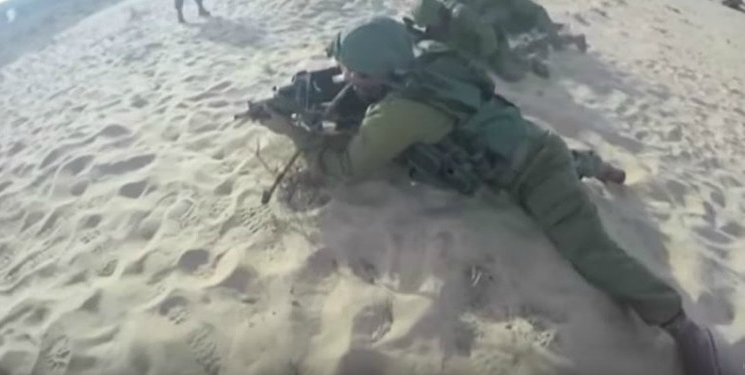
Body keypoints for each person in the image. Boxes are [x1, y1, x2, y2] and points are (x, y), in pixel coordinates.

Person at [255, 17, 721, 375]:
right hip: (518, 139)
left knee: (588, 249)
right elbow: (375, 103)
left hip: (534, 172)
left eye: (354, 72)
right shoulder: (427, 63)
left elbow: (346, 167)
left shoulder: (401, 112)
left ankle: (679, 323)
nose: (346, 77)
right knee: (547, 159)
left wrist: (291, 131)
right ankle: (595, 164)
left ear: (380, 72)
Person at [408, 0, 586, 81]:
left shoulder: (460, 14)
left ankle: (534, 59)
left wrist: (487, 56)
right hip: (481, 32)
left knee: (511, 73)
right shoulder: (445, 15)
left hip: (493, 39)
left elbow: (488, 37)